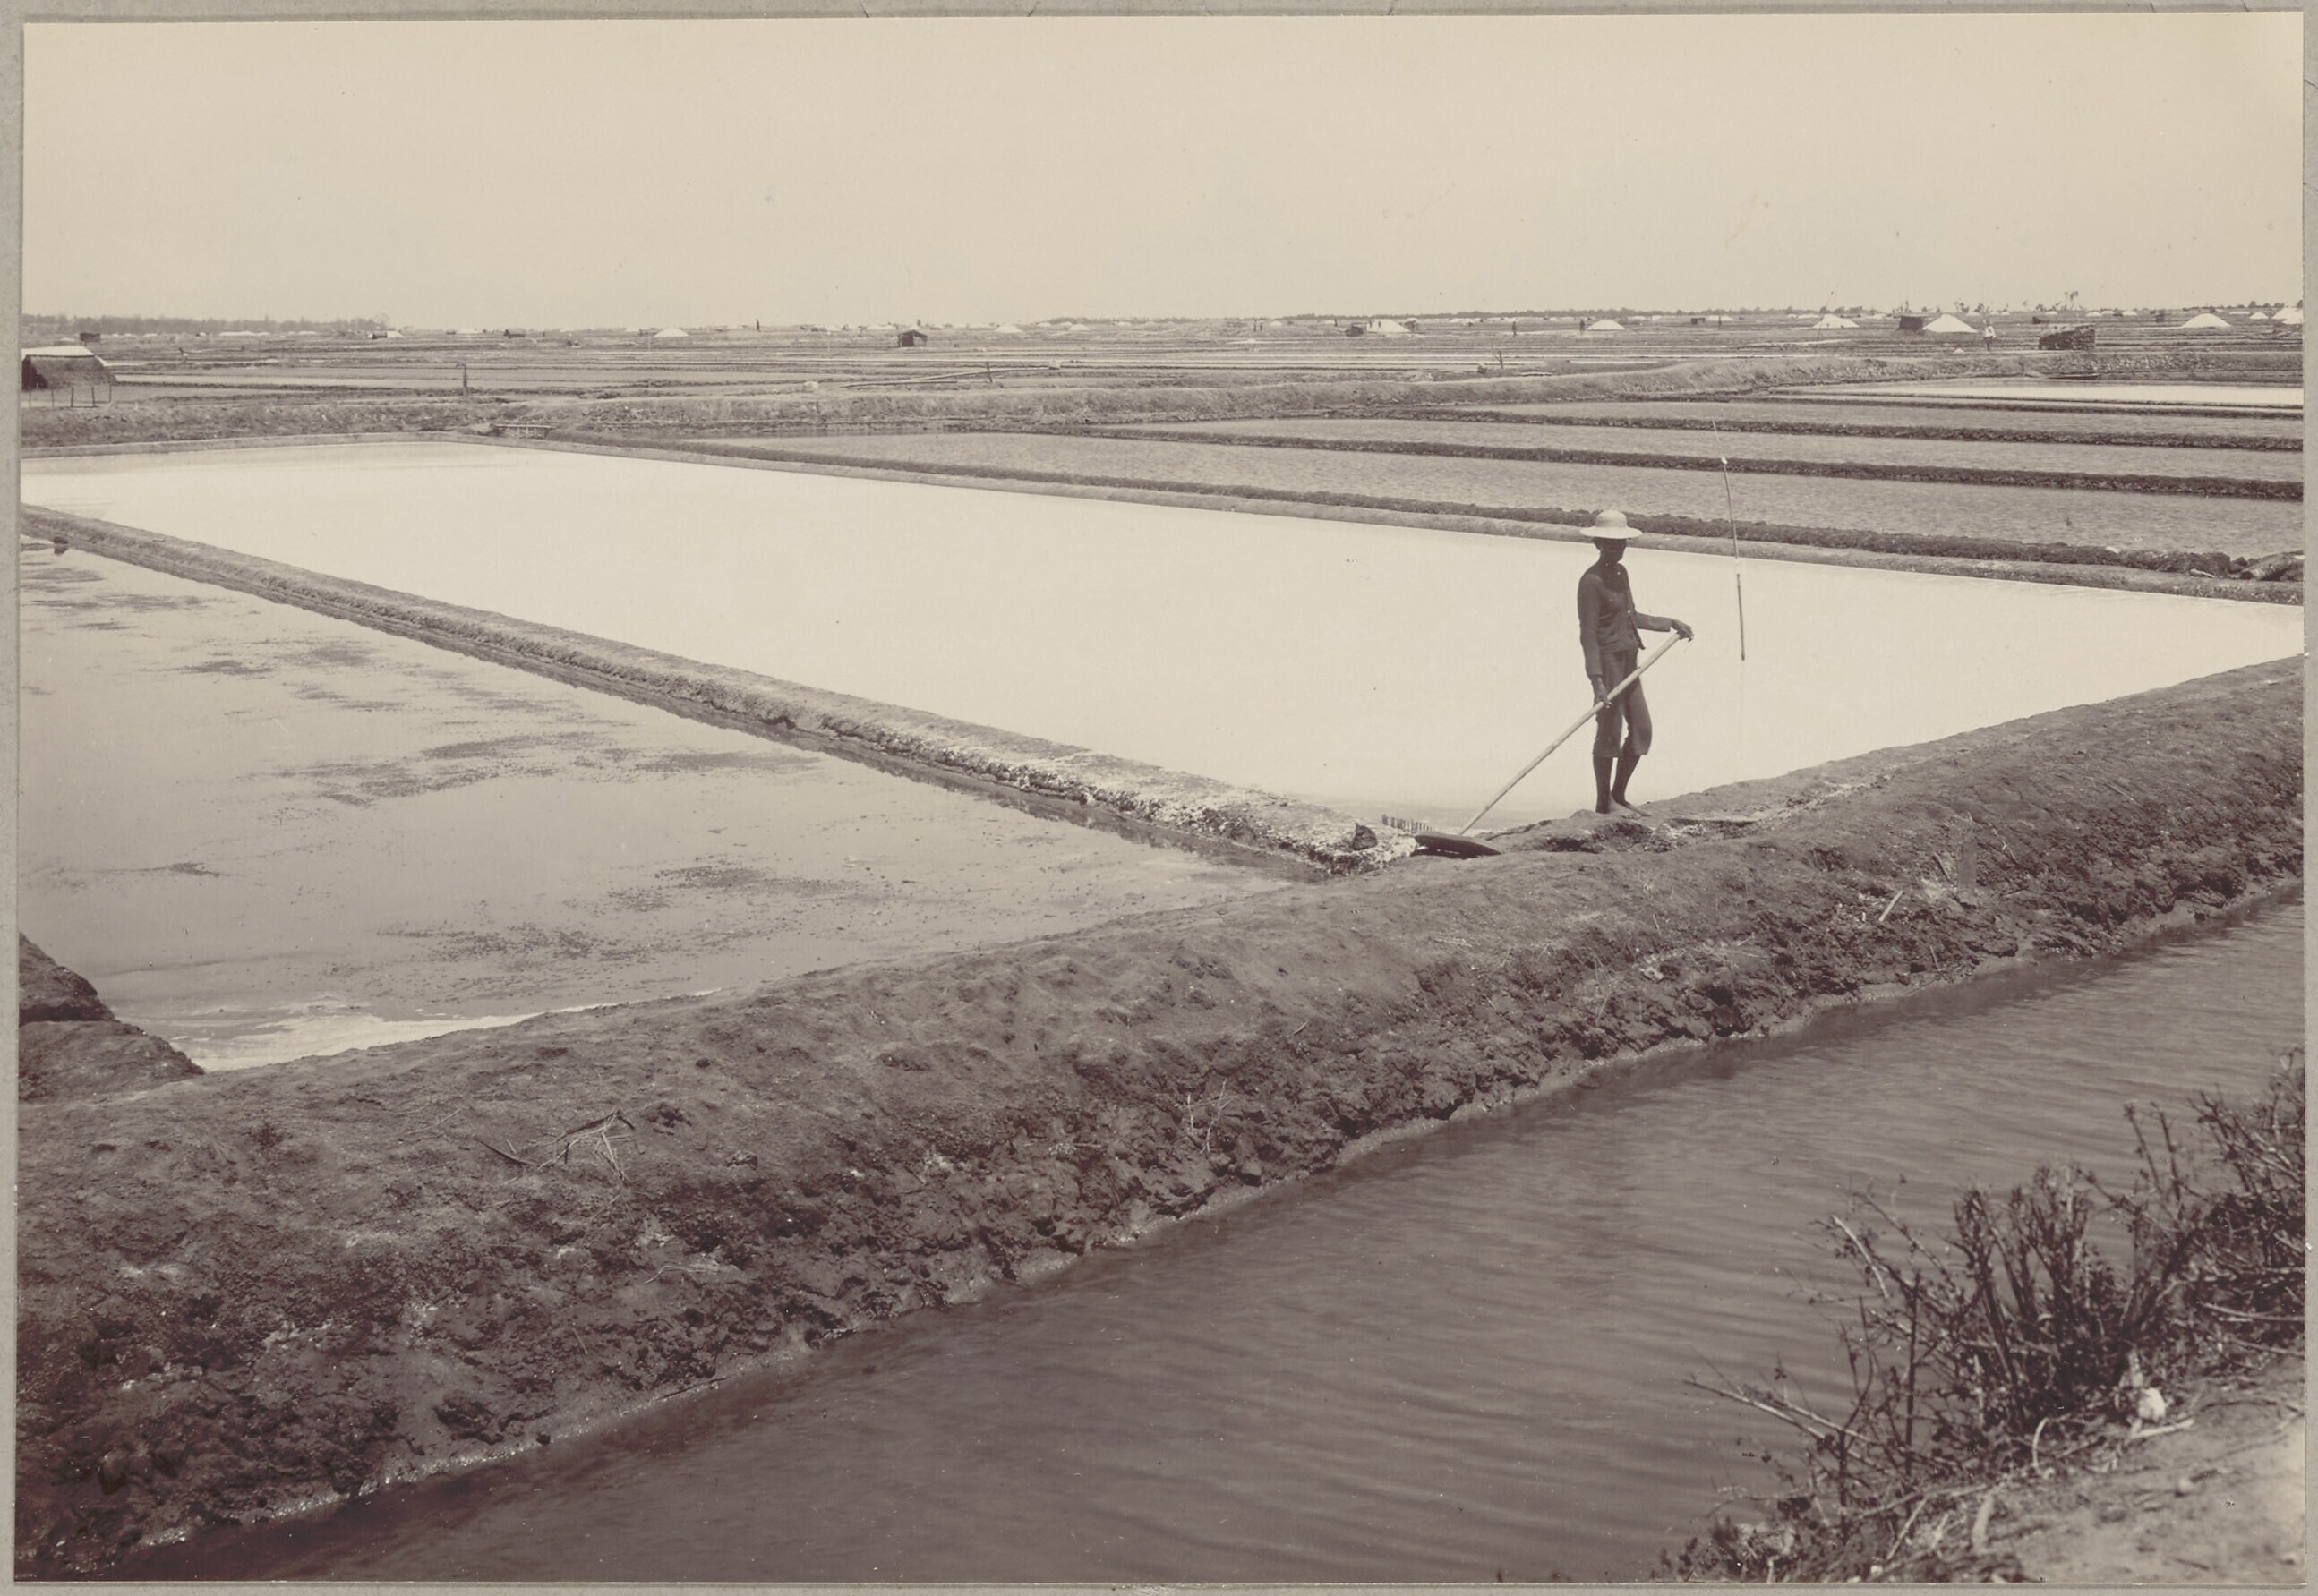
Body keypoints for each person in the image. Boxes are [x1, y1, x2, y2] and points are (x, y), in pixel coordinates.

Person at [1576, 509, 1692, 815]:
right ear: (1598, 544)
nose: (1617, 548)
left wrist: (1669, 623)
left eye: (1621, 543)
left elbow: (1631, 616)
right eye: (1610, 543)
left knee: (1642, 729)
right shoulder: (1591, 582)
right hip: (1608, 664)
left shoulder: (1621, 574)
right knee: (1609, 731)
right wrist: (1597, 681)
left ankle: (1619, 795)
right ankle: (1604, 802)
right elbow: (1588, 635)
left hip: (1629, 660)